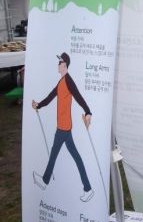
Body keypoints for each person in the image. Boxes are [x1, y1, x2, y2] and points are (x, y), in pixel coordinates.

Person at [31, 53, 95, 202]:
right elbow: (50, 97)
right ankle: (88, 188)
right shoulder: (61, 82)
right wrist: (38, 105)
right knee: (76, 156)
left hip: (64, 126)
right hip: (64, 126)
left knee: (54, 153)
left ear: (65, 65)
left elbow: (78, 96)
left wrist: (88, 111)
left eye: (59, 63)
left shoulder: (69, 81)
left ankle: (45, 181)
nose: (58, 65)